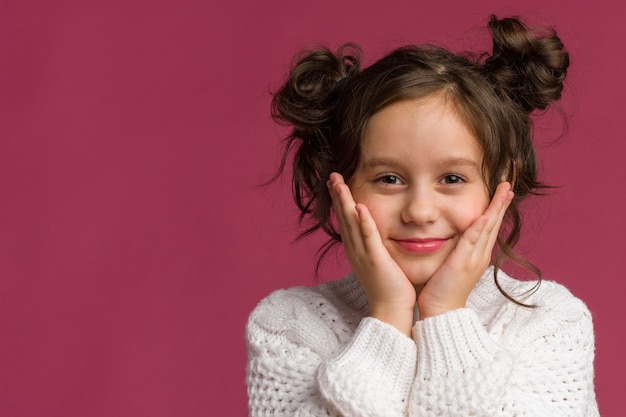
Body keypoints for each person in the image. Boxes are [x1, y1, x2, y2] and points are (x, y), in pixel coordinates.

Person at [246, 15, 599, 417]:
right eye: (389, 178)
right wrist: (388, 316)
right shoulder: (288, 327)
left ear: (502, 186)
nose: (419, 211)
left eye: (452, 178)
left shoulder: (550, 323)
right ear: (338, 184)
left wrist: (446, 315)